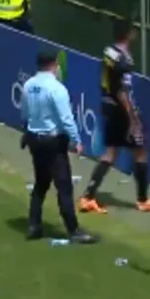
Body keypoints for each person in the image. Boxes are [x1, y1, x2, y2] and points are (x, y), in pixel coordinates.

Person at [78, 20, 150, 214]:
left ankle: (87, 196)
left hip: (107, 104)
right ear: (129, 34)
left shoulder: (109, 51)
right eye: (133, 30)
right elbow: (122, 91)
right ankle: (142, 199)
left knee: (111, 152)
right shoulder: (124, 59)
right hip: (120, 109)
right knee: (140, 151)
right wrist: (132, 119)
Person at [22, 49, 99, 244]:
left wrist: (27, 131)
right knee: (63, 185)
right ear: (54, 64)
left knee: (41, 182)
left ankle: (33, 225)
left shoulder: (28, 85)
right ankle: (73, 230)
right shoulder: (57, 88)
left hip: (34, 139)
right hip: (52, 142)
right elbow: (66, 119)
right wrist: (76, 140)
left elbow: (25, 113)